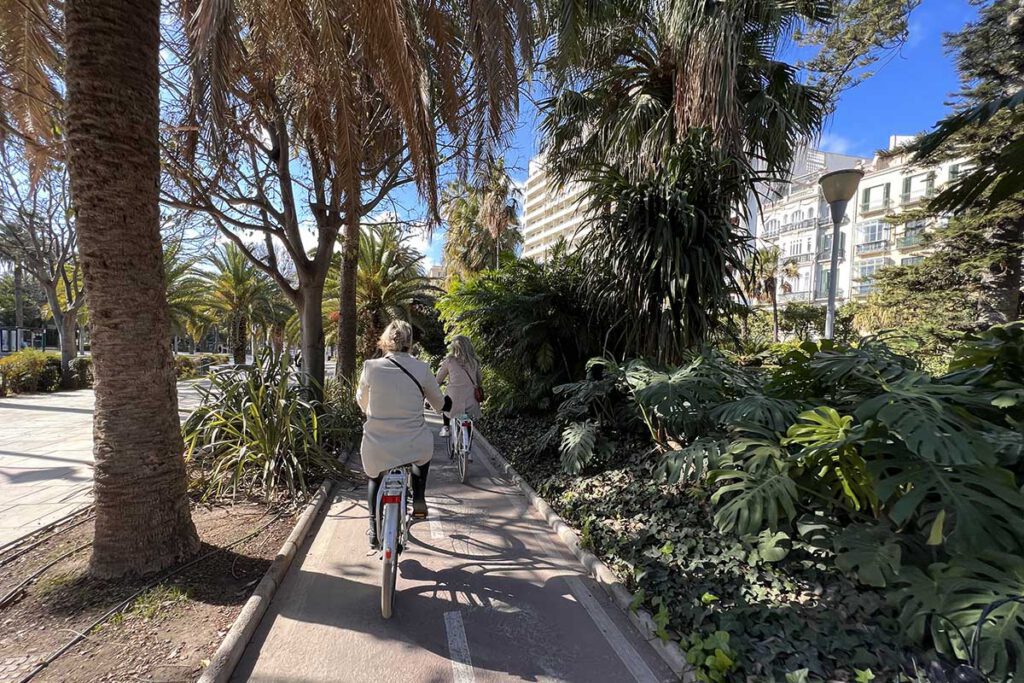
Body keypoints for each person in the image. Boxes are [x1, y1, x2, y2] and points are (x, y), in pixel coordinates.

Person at [356, 320, 449, 548]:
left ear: (386, 340)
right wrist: (447, 404)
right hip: (413, 443)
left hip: (377, 444)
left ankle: (372, 527)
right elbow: (438, 404)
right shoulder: (422, 369)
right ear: (410, 342)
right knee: (423, 457)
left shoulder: (371, 367)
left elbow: (361, 402)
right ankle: (418, 498)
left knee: (375, 477)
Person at [435, 335, 483, 438]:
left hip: (453, 401)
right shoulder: (474, 362)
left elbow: (438, 380)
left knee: (446, 404)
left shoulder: (449, 361)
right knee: (468, 418)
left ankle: (446, 427)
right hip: (471, 401)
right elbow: (479, 380)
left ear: (454, 347)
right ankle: (468, 437)